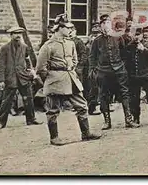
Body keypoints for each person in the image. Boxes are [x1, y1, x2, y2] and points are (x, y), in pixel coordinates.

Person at [35, 14, 101, 145]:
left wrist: (69, 69)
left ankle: (86, 133)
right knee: (53, 109)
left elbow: (74, 60)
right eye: (67, 27)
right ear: (59, 28)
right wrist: (51, 78)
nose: (70, 30)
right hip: (55, 81)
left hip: (71, 79)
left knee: (82, 105)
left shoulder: (70, 43)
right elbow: (40, 68)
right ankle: (54, 137)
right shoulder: (48, 46)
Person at [89, 14, 139, 130]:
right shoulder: (97, 41)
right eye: (104, 24)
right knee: (103, 96)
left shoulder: (118, 37)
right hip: (104, 72)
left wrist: (123, 67)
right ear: (101, 26)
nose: (106, 26)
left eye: (108, 23)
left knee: (125, 94)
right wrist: (94, 71)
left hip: (119, 71)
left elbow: (124, 53)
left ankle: (128, 120)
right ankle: (107, 121)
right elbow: (92, 57)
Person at [0, 27, 42, 130]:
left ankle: (31, 119)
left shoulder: (25, 47)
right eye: (15, 33)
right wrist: (1, 80)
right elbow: (1, 65)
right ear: (11, 35)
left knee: (28, 99)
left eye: (19, 33)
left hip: (23, 77)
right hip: (10, 78)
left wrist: (30, 72)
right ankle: (1, 122)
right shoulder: (5, 48)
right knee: (6, 101)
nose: (18, 35)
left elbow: (27, 60)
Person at [125, 25, 148, 125]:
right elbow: (126, 59)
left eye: (138, 35)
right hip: (134, 76)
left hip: (147, 75)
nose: (136, 37)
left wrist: (144, 50)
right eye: (134, 35)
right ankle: (136, 117)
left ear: (142, 35)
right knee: (134, 99)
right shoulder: (129, 46)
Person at [84, 21, 101, 115]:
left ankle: (97, 106)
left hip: (97, 66)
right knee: (94, 88)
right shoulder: (91, 42)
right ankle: (92, 107)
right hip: (94, 67)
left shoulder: (92, 41)